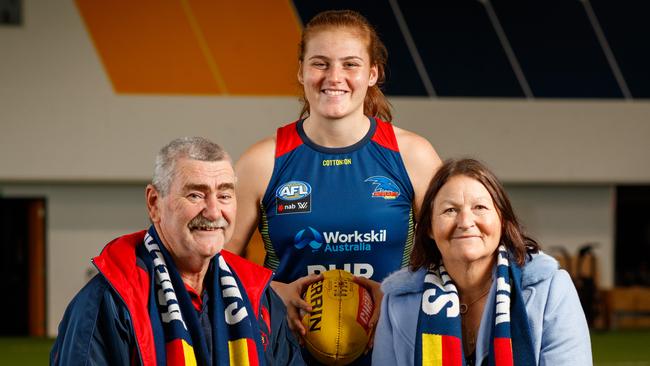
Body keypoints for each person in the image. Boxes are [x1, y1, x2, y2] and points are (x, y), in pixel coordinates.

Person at [225, 9, 441, 363]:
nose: (334, 77)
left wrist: (404, 293)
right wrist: (268, 291)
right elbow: (214, 261)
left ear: (373, 73)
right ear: (301, 71)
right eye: (320, 63)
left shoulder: (412, 155)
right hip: (287, 351)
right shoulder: (262, 162)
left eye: (350, 64)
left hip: (392, 350)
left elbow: (452, 255)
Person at [51, 137, 304, 365]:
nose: (214, 212)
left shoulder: (259, 297)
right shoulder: (109, 302)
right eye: (195, 195)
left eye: (225, 195)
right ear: (154, 204)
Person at [372, 158, 592, 365]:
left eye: (480, 208)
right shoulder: (398, 303)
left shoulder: (551, 289)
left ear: (503, 221)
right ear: (429, 227)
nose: (466, 222)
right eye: (450, 210)